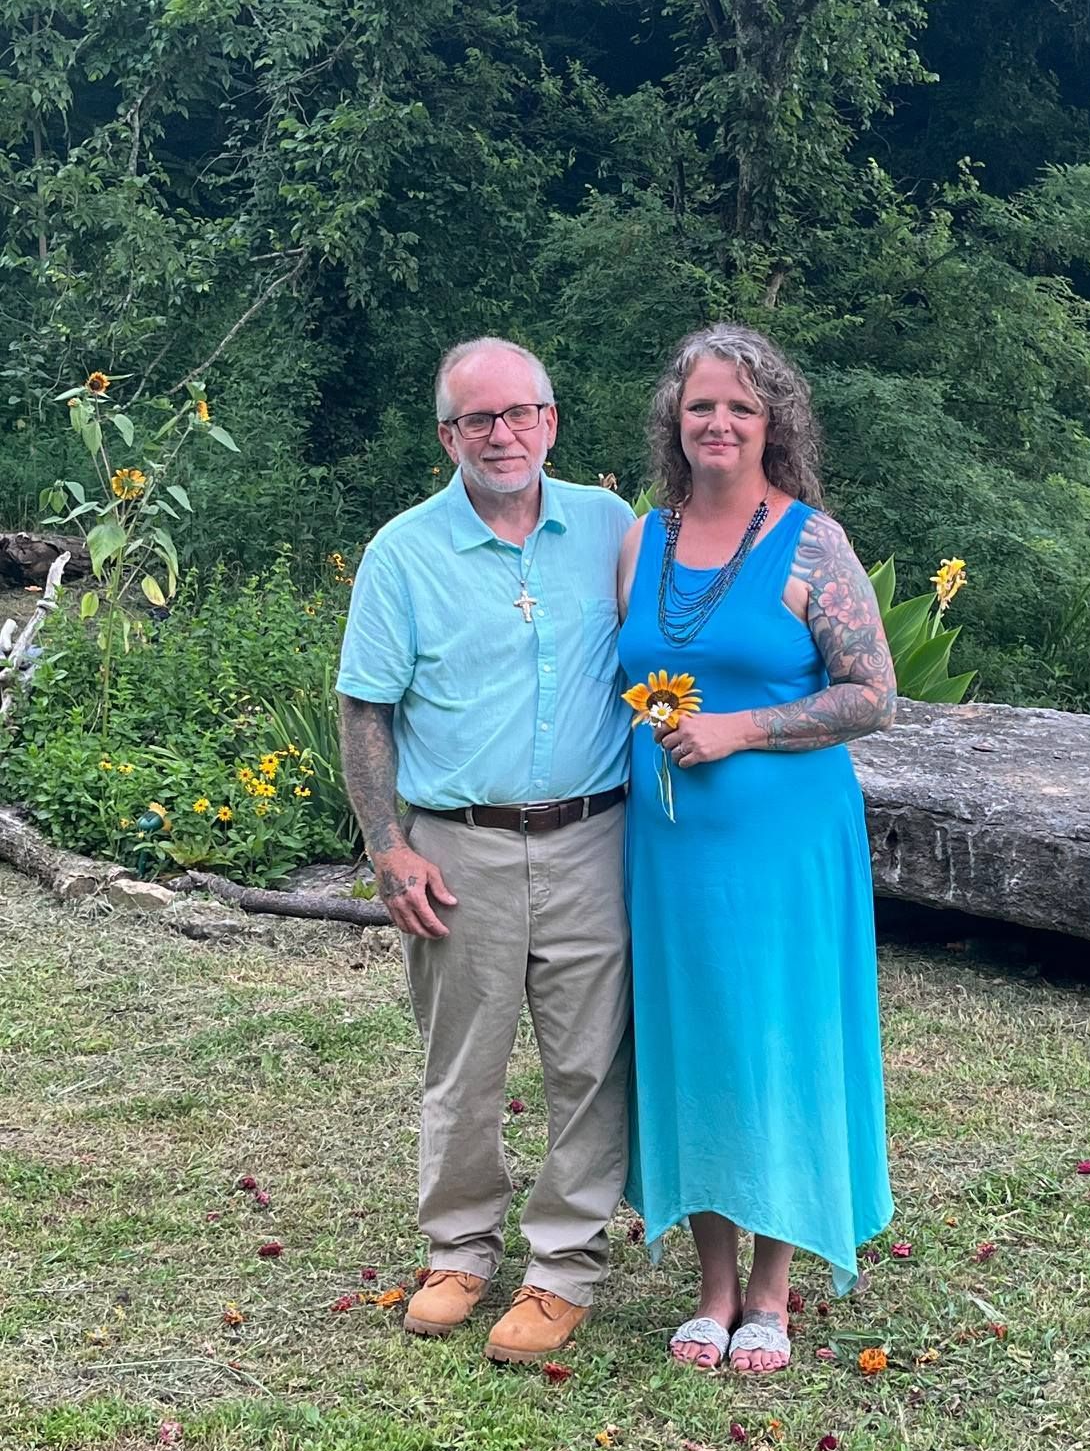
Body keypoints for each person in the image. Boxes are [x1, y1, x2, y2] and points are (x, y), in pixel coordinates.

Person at [337, 337, 634, 1363]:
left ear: (551, 421)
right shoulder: (403, 552)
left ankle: (562, 1265)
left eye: (519, 414)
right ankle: (459, 1247)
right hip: (456, 844)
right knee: (461, 1060)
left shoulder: (608, 528)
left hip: (596, 834)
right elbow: (365, 708)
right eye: (477, 419)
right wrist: (387, 846)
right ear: (445, 435)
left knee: (590, 1062)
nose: (500, 434)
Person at [616, 324, 897, 1375]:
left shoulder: (811, 541)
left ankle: (772, 1291)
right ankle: (711, 1284)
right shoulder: (643, 538)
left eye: (739, 404)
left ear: (772, 418)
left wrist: (741, 727)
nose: (718, 422)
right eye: (700, 406)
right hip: (671, 849)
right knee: (696, 1042)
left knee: (779, 1038)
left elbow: (873, 695)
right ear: (673, 423)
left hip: (784, 845)